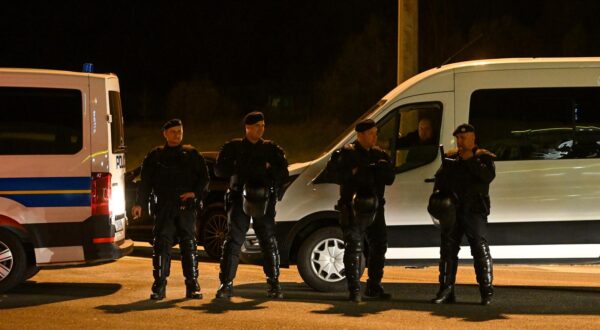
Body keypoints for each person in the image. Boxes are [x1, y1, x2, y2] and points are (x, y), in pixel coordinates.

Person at [132, 119, 209, 300]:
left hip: (185, 207)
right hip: (164, 206)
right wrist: (139, 203)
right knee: (161, 245)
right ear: (165, 133)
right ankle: (159, 285)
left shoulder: (191, 154)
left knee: (189, 245)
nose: (177, 135)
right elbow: (145, 183)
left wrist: (195, 193)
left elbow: (204, 179)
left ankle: (192, 285)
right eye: (173, 131)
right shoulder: (155, 156)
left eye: (180, 131)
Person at [214, 111, 289, 299]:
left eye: (263, 125)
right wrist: (250, 166)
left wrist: (268, 170)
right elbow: (220, 170)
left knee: (268, 241)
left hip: (264, 199)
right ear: (247, 127)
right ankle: (226, 283)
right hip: (240, 198)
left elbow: (283, 172)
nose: (261, 129)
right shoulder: (233, 147)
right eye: (257, 126)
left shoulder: (271, 149)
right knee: (234, 241)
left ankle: (274, 283)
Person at [325, 119, 395, 303]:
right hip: (353, 208)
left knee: (379, 245)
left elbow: (390, 178)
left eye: (376, 133)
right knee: (354, 248)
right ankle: (354, 289)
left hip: (375, 208)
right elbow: (332, 174)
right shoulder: (347, 154)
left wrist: (381, 168)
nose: (375, 137)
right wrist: (355, 172)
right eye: (371, 133)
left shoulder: (379, 154)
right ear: (360, 135)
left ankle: (374, 285)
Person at [429, 123, 496, 305]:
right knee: (447, 251)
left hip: (474, 210)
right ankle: (446, 290)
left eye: (463, 138)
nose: (460, 141)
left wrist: (470, 159)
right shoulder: (451, 158)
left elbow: (487, 177)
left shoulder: (483, 157)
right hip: (453, 211)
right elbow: (440, 180)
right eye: (458, 138)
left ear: (473, 138)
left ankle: (486, 291)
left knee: (479, 250)